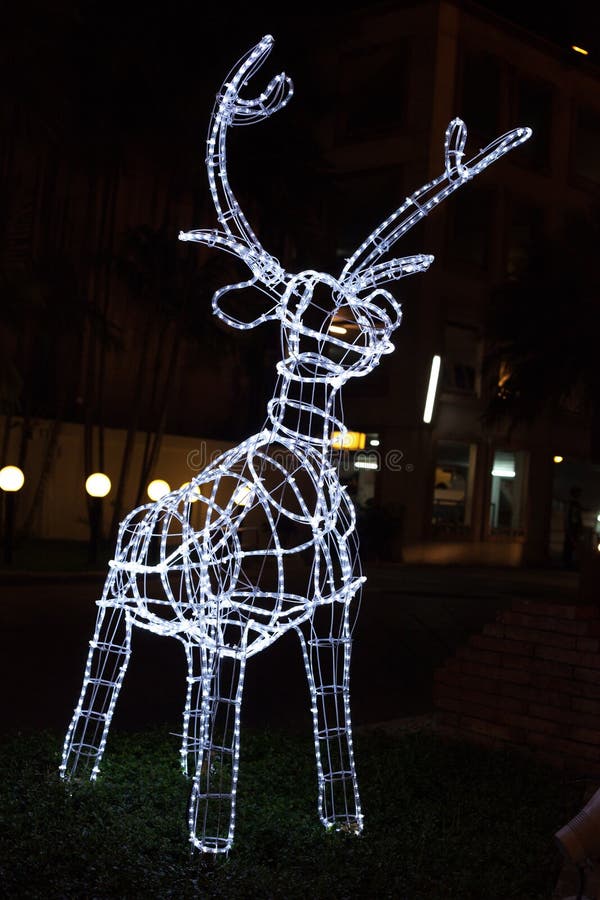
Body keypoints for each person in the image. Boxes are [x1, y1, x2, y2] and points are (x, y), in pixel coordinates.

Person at [563, 486, 584, 570]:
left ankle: (569, 562)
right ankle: (568, 563)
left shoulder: (574, 504)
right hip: (572, 527)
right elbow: (570, 517)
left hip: (573, 527)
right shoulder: (572, 504)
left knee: (571, 545)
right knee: (570, 545)